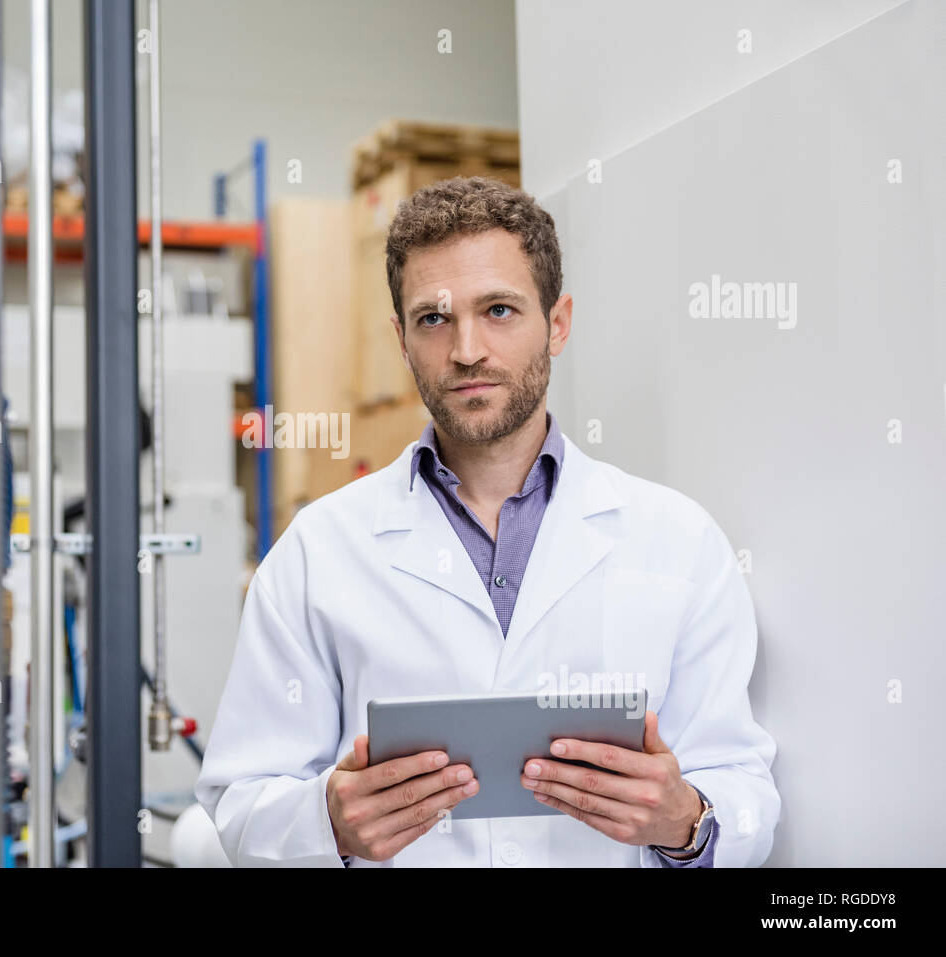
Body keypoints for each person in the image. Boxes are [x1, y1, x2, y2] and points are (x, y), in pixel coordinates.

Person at [195, 176, 779, 867]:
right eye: (434, 319)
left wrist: (689, 820)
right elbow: (238, 806)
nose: (468, 349)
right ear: (402, 340)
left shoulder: (679, 543)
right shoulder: (316, 555)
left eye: (499, 309)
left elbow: (742, 784)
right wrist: (328, 821)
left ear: (557, 323)